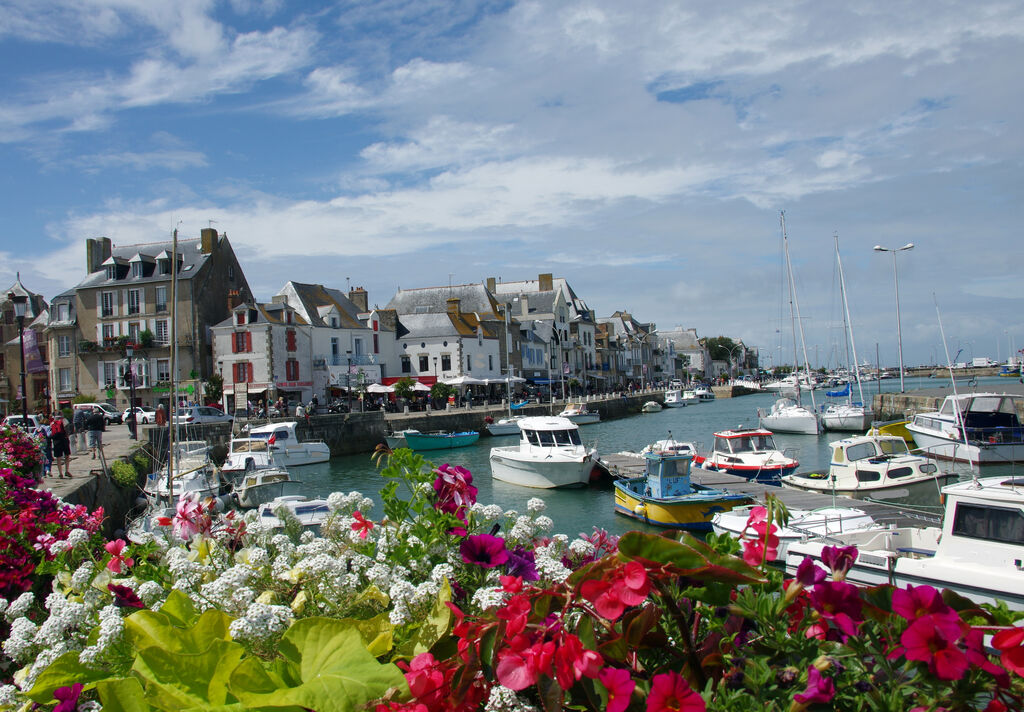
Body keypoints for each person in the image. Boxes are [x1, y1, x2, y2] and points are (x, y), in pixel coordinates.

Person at [50, 413, 71, 478]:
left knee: (58, 457)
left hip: (56, 441)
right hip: (64, 440)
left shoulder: (52, 423)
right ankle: (66, 471)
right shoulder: (64, 421)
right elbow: (68, 431)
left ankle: (60, 473)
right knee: (67, 456)